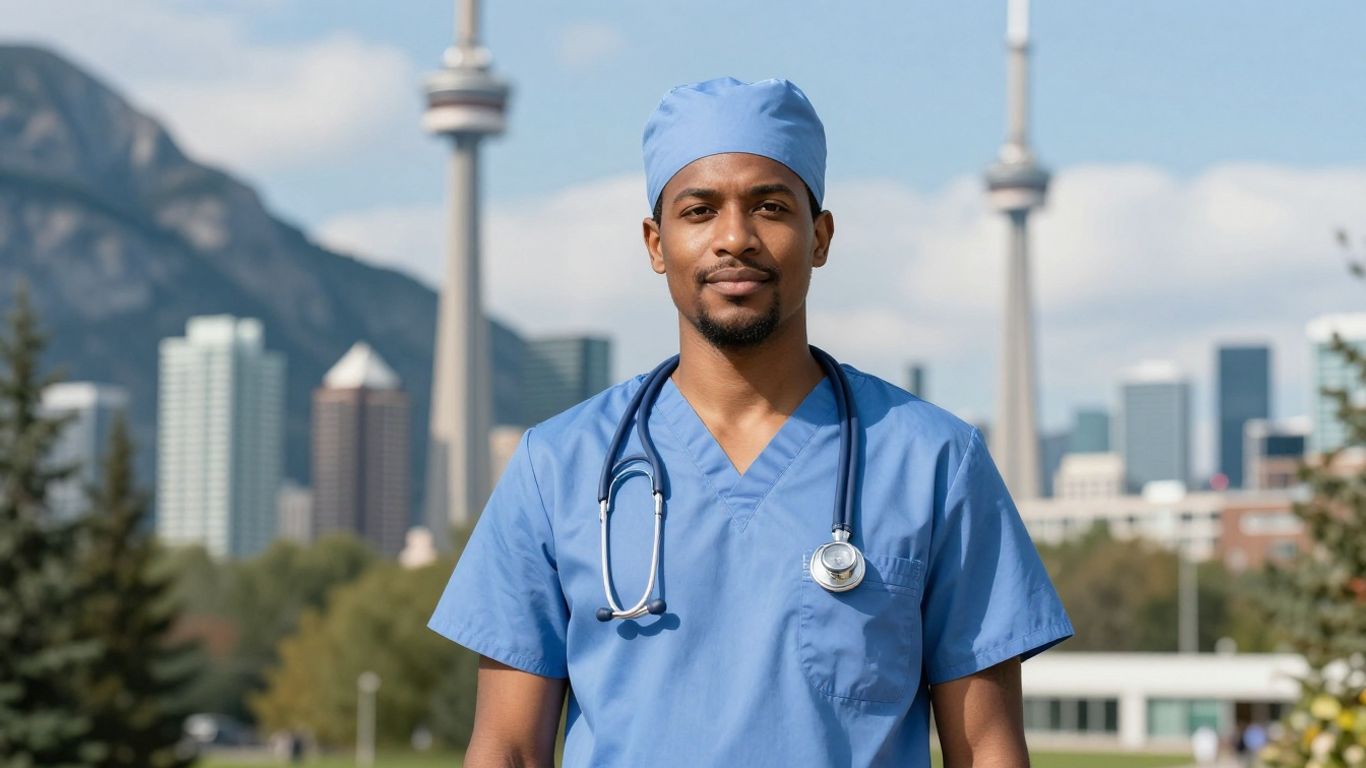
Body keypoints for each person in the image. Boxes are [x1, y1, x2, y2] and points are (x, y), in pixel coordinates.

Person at [428, 76, 1073, 767]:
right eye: (699, 211)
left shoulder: (936, 463)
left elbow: (988, 749)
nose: (735, 238)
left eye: (770, 207)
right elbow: (508, 748)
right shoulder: (556, 467)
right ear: (654, 243)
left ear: (820, 237)